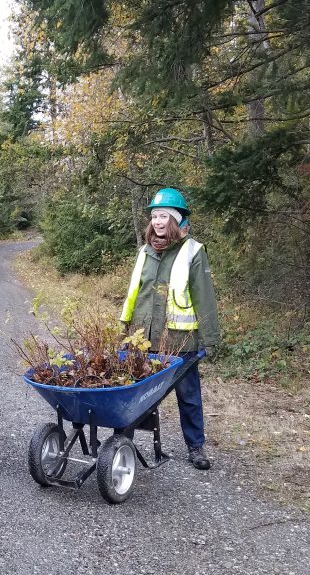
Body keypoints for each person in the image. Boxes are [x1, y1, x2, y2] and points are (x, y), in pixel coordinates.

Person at [119, 188, 220, 470]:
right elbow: (133, 294)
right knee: (138, 393)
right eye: (154, 216)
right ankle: (123, 441)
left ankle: (195, 447)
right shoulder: (144, 251)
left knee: (188, 395)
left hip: (180, 341)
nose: (158, 221)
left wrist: (209, 338)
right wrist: (125, 329)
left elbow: (204, 296)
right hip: (144, 337)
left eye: (164, 215)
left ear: (176, 219)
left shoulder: (193, 251)